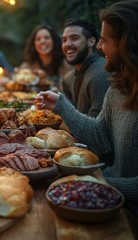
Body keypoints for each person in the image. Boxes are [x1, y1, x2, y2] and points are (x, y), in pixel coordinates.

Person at [35, 0, 138, 231]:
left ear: (127, 43)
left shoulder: (100, 77)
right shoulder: (118, 88)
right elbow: (99, 137)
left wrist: (97, 182)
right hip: (105, 194)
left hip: (127, 211)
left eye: (105, 39)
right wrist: (61, 104)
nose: (100, 47)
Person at [60, 19, 110, 117]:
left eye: (74, 38)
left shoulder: (99, 76)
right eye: (64, 40)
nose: (67, 44)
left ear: (91, 41)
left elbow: (97, 129)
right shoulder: (73, 74)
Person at [21, 25, 73, 89]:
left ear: (54, 41)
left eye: (47, 38)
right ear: (33, 44)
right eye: (38, 39)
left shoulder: (66, 65)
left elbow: (70, 91)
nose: (42, 41)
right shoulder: (27, 67)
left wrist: (46, 80)